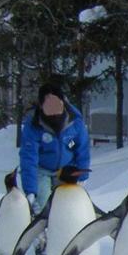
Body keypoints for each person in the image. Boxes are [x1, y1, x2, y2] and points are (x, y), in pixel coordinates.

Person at [19, 83, 91, 215]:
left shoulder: (75, 122)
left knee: (68, 208)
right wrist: (30, 191)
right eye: (48, 106)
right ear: (41, 106)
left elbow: (82, 150)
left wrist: (82, 176)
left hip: (66, 171)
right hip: (42, 171)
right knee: (43, 206)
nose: (53, 111)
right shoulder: (34, 126)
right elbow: (29, 159)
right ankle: (41, 230)